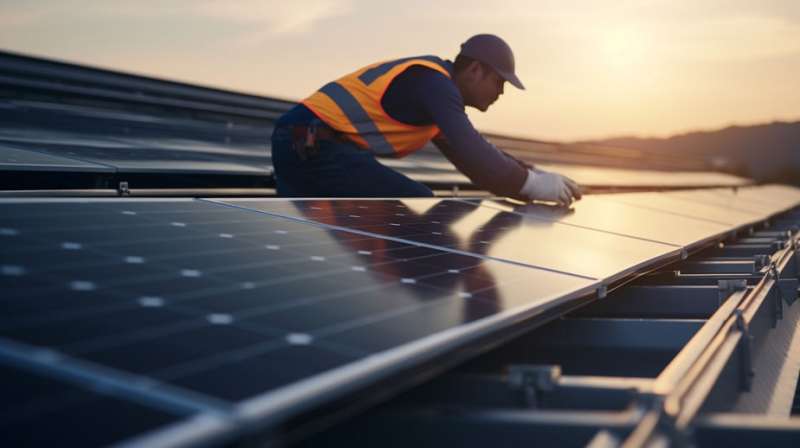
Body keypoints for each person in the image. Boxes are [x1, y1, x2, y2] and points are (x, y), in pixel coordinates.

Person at [270, 34, 582, 206]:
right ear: (475, 70)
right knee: (415, 202)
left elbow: (476, 163)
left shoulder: (436, 103)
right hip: (307, 139)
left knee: (302, 235)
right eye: (499, 82)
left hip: (302, 141)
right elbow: (473, 148)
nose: (501, 92)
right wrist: (531, 184)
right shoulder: (434, 84)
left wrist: (532, 177)